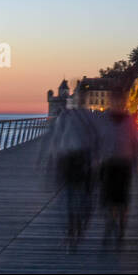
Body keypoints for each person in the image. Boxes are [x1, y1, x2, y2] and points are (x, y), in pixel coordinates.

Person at [46, 105, 97, 250]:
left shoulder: (85, 118)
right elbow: (55, 141)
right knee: (70, 198)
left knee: (73, 198)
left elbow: (54, 141)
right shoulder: (72, 118)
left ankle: (74, 228)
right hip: (69, 162)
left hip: (79, 162)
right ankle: (71, 231)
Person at [95, 98, 138, 246]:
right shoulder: (125, 121)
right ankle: (117, 223)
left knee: (115, 197)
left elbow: (98, 141)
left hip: (116, 163)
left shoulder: (108, 121)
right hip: (118, 163)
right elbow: (135, 143)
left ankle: (116, 223)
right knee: (117, 197)